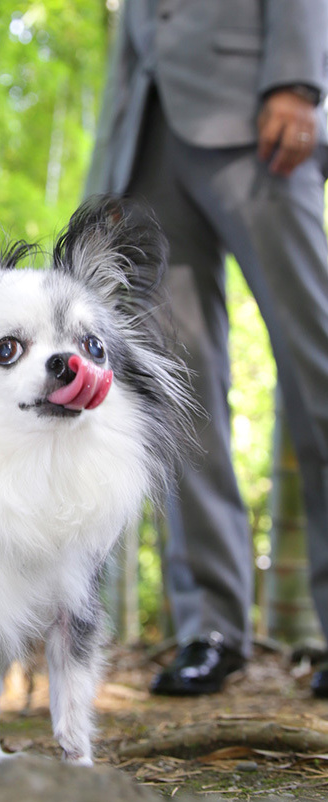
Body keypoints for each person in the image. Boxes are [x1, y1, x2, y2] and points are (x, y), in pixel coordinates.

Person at [86, 0, 328, 696]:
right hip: (146, 149)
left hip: (255, 116)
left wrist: (295, 84)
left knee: (316, 369)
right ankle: (209, 627)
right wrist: (109, 175)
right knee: (176, 393)